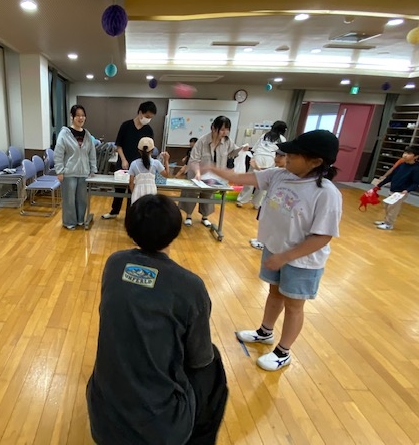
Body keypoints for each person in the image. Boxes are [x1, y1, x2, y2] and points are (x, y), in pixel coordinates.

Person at [87, 194, 228, 445]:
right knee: (213, 363)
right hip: (162, 430)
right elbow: (199, 358)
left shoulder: (115, 264)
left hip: (102, 421)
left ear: (130, 228)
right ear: (175, 231)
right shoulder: (190, 286)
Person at [208, 130, 342, 371]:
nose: (286, 158)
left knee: (294, 305)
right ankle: (265, 332)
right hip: (276, 249)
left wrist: (286, 257)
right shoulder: (280, 175)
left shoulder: (326, 193)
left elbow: (323, 236)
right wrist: (213, 169)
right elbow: (239, 177)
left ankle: (283, 352)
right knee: (274, 293)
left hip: (302, 260)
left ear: (315, 161)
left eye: (294, 155)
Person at [180, 115, 246, 227]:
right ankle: (189, 216)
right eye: (222, 129)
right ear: (213, 128)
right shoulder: (202, 141)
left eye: (227, 129)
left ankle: (205, 217)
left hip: (213, 176)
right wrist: (197, 172)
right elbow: (194, 160)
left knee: (208, 195)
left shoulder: (227, 141)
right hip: (197, 173)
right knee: (191, 194)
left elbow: (232, 152)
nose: (225, 132)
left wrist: (242, 149)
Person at [102, 101, 157, 219]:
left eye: (150, 117)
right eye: (147, 116)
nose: (148, 119)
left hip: (139, 166)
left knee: (134, 190)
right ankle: (114, 211)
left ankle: (130, 214)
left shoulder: (148, 130)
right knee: (119, 189)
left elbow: (149, 150)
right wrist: (123, 159)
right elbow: (119, 145)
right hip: (124, 163)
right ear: (140, 112)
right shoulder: (126, 125)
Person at [54, 105, 97, 229]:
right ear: (72, 117)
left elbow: (92, 153)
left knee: (82, 199)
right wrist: (59, 171)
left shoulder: (87, 135)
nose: (81, 118)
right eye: (77, 115)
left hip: (84, 172)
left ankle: (80, 220)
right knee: (69, 200)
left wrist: (93, 169)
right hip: (69, 173)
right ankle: (69, 222)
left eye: (83, 115)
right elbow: (58, 154)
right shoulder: (64, 134)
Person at [237, 120, 288, 209]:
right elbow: (281, 153)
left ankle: (241, 200)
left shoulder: (264, 135)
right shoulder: (282, 139)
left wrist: (253, 159)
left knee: (250, 180)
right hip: (270, 161)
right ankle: (257, 203)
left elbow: (255, 148)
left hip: (257, 159)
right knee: (263, 183)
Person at [372, 145, 419, 230]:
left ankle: (389, 224)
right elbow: (391, 176)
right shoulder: (401, 165)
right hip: (393, 189)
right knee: (387, 206)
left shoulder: (416, 168)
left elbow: (416, 183)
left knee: (393, 208)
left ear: (416, 156)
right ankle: (386, 221)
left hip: (401, 192)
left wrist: (407, 190)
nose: (405, 155)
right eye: (405, 152)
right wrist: (380, 184)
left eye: (409, 153)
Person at [249, 149, 287, 251]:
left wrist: (256, 167)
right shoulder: (276, 170)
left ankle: (263, 242)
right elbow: (263, 175)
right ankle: (262, 240)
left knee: (274, 223)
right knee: (265, 219)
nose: (276, 158)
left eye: (281, 156)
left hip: (278, 206)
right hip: (270, 202)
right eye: (276, 155)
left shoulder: (286, 174)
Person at [129, 137, 170, 203]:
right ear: (152, 150)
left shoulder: (134, 164)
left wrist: (134, 192)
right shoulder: (156, 163)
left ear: (139, 150)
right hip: (151, 192)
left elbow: (131, 183)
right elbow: (166, 175)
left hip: (137, 192)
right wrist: (166, 160)